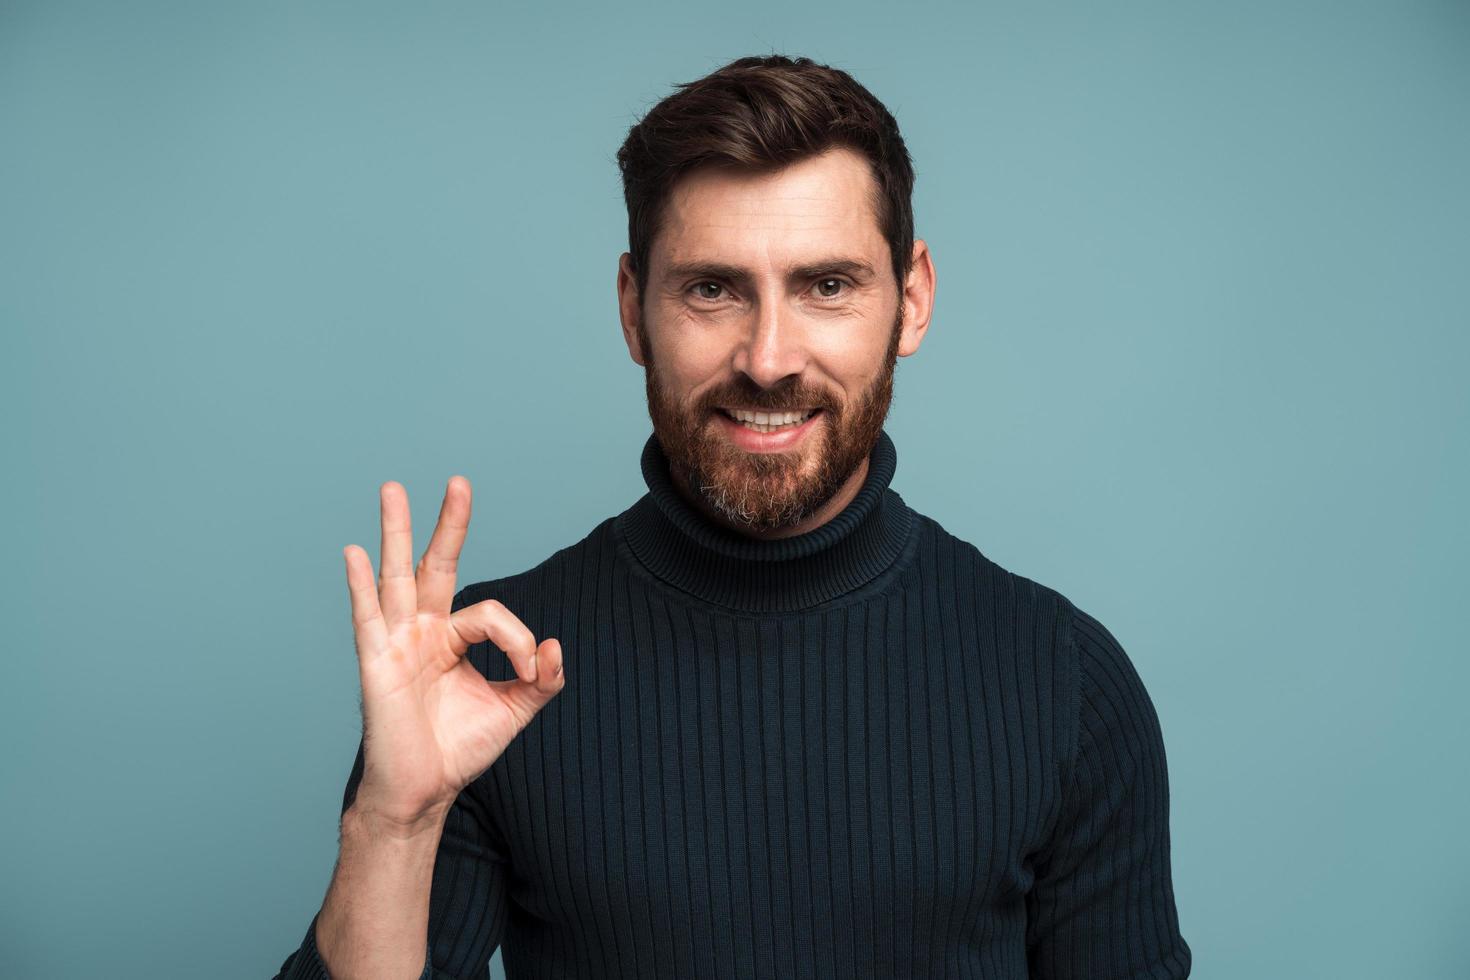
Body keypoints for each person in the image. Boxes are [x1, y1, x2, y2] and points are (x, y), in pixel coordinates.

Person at [273, 54, 1192, 980]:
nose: (768, 357)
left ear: (910, 302)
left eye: (826, 286)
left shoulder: (1064, 684)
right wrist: (395, 823)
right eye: (712, 289)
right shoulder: (490, 676)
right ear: (634, 310)